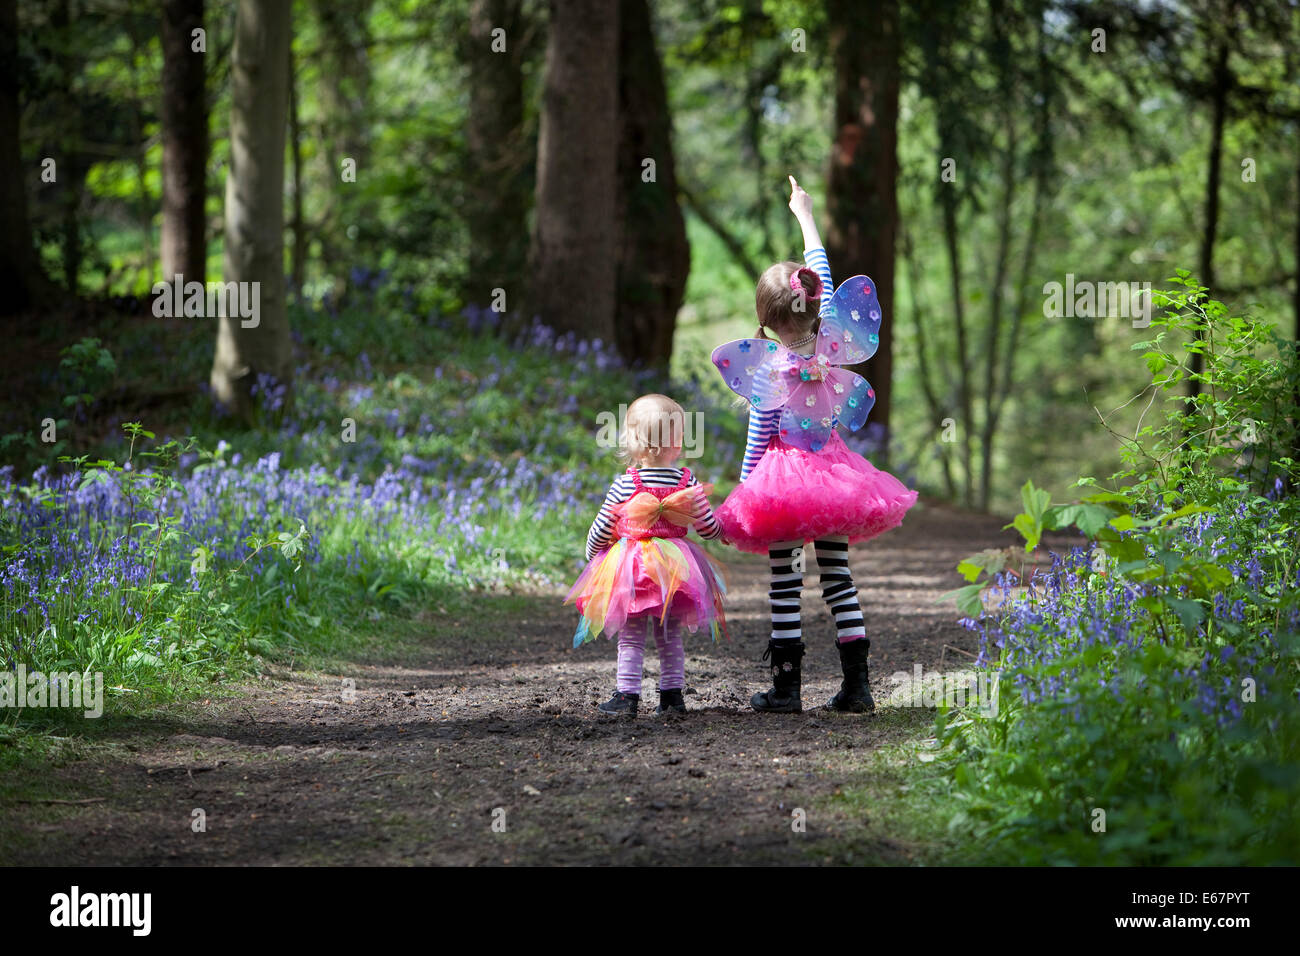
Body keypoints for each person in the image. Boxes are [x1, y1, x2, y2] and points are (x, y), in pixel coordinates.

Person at [713, 176, 917, 714]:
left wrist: (745, 490)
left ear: (764, 322)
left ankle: (786, 690)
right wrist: (803, 213)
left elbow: (759, 439)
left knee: (785, 582)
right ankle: (858, 686)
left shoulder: (769, 371)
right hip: (834, 475)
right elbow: (820, 269)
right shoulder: (829, 339)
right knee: (838, 578)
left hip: (783, 485)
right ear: (815, 304)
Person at [566, 393, 728, 716]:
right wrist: (724, 532)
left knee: (631, 634)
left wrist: (592, 552)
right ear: (678, 443)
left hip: (633, 568)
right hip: (676, 569)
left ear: (634, 443)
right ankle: (672, 697)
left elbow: (603, 524)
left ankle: (627, 697)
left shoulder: (627, 482)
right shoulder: (686, 480)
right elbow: (707, 525)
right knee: (669, 634)